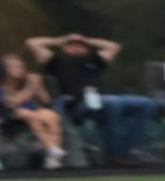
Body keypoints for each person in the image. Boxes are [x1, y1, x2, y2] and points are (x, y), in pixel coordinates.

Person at [26, 33, 158, 166]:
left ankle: (132, 148)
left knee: (146, 104)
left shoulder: (94, 61)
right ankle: (115, 156)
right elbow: (32, 43)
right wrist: (59, 40)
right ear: (64, 48)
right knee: (114, 104)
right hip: (74, 103)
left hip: (98, 99)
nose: (76, 47)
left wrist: (87, 40)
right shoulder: (56, 62)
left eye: (80, 45)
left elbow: (114, 46)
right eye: (71, 45)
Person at [0, 53, 64, 169]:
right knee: (29, 114)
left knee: (52, 115)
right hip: (10, 117)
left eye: (20, 66)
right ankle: (52, 149)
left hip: (33, 115)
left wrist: (39, 87)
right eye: (13, 67)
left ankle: (55, 154)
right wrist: (30, 89)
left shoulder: (26, 84)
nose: (18, 69)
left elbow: (46, 101)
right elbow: (8, 104)